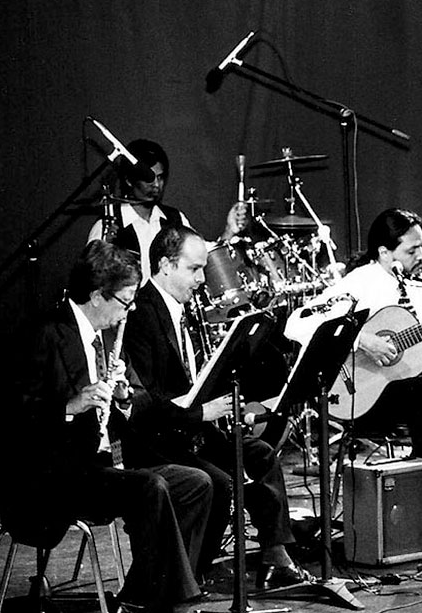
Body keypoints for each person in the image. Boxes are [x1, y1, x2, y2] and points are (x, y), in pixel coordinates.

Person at [0, 240, 213, 612]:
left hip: (99, 465)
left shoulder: (108, 336)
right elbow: (9, 416)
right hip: (52, 474)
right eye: (125, 301)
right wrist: (69, 406)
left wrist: (123, 397)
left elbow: (133, 405)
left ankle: (141, 596)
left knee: (196, 483)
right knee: (151, 488)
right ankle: (168, 601)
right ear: (97, 296)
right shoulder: (45, 333)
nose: (130, 310)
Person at [286, 208, 422, 543]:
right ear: (384, 252)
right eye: (412, 250)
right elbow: (298, 322)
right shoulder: (359, 283)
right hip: (368, 399)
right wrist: (363, 339)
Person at [122, 224, 309, 590]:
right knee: (220, 483)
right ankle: (188, 575)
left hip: (191, 429)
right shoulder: (141, 313)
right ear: (165, 265)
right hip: (160, 440)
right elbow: (147, 401)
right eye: (194, 269)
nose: (200, 280)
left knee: (260, 455)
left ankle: (274, 555)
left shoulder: (183, 308)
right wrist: (202, 413)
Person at [87, 138, 247, 281]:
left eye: (161, 177)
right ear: (129, 180)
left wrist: (229, 231)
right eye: (149, 179)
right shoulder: (108, 225)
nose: (157, 185)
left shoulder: (174, 219)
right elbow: (92, 279)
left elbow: (205, 258)